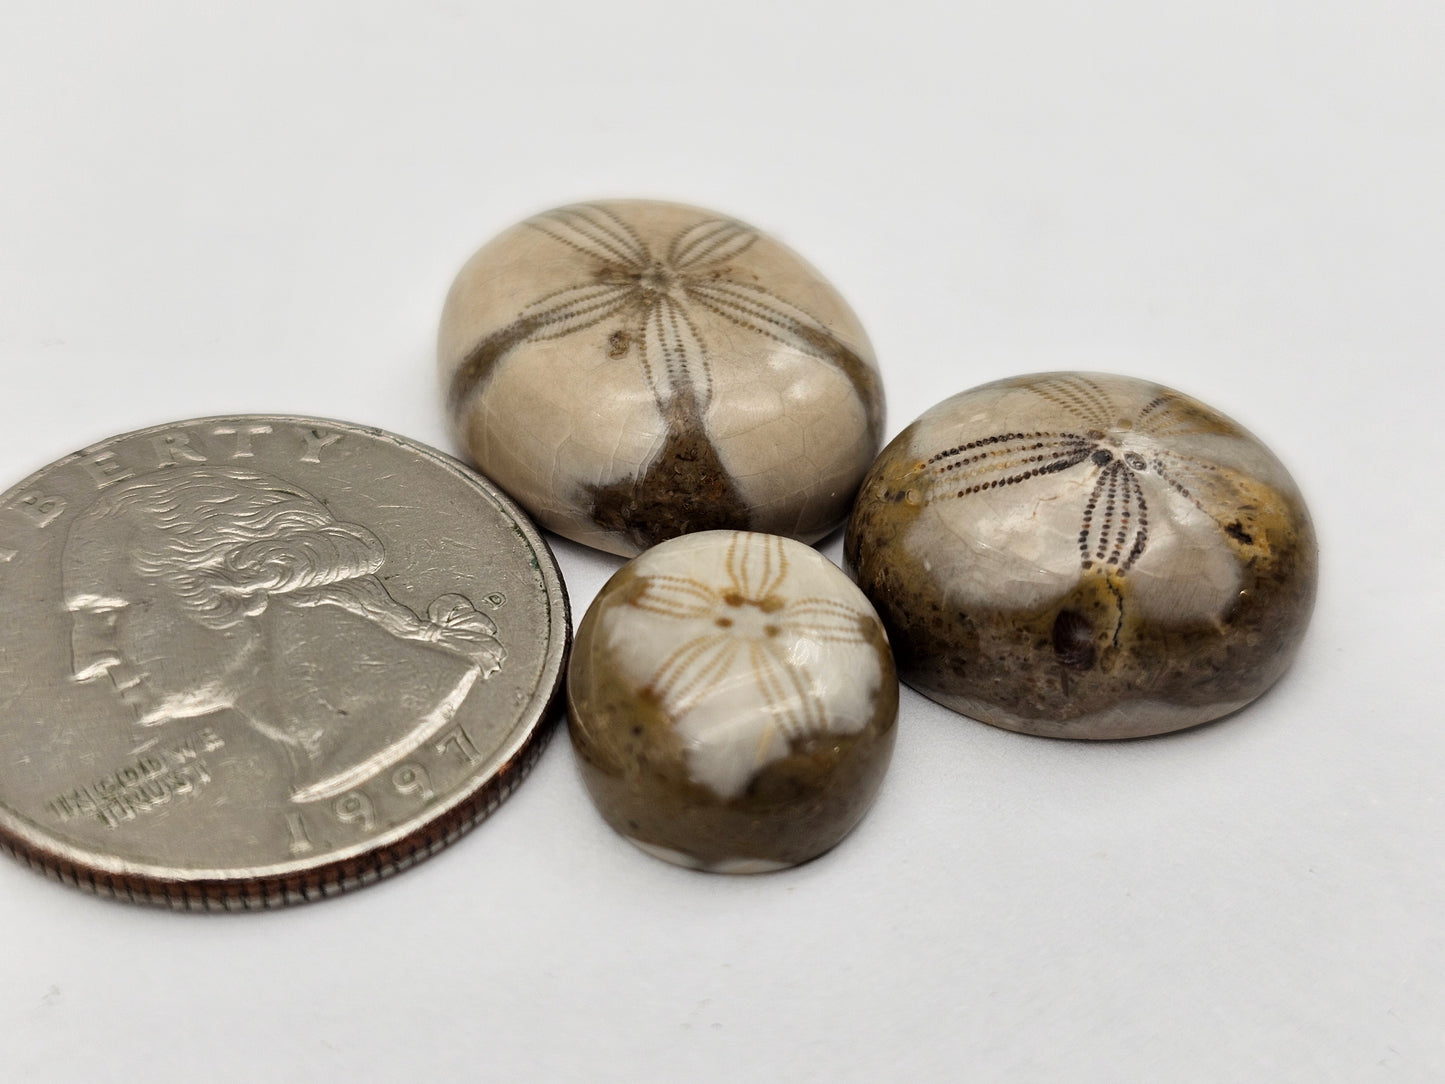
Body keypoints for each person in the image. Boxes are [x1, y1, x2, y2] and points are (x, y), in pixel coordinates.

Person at [62, 466, 505, 804]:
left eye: (105, 614)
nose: (85, 662)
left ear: (251, 580)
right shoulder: (329, 759)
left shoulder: (399, 713)